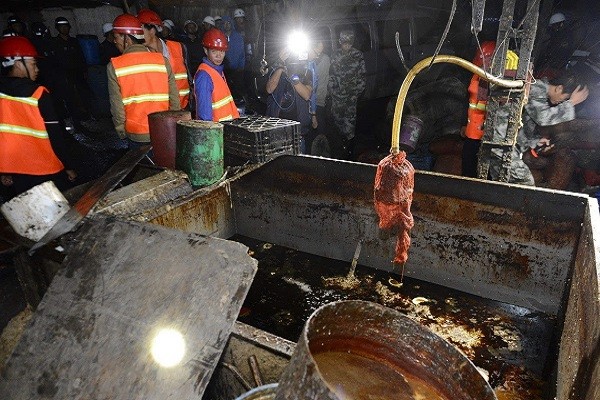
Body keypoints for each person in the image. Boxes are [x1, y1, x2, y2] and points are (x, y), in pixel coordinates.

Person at [0, 36, 77, 200]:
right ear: (18, 63)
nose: (37, 69)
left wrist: (4, 170)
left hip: (17, 172)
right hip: (46, 169)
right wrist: (68, 166)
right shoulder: (38, 93)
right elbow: (55, 136)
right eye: (33, 64)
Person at [107, 14, 179, 148]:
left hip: (136, 134)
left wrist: (121, 130)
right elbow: (174, 98)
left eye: (116, 37)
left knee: (142, 167)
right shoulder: (162, 61)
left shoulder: (115, 66)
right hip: (163, 130)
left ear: (126, 38)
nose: (114, 41)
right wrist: (172, 124)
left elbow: (117, 106)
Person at [462, 41, 518, 177]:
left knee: (482, 174)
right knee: (469, 173)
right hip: (473, 133)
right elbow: (471, 101)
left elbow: (501, 104)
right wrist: (465, 124)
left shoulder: (496, 78)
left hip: (485, 135)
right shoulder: (479, 74)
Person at [137, 9, 191, 109]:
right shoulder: (140, 56)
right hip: (159, 112)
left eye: (140, 31)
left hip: (183, 108)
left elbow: (189, 75)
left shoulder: (178, 47)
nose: (137, 35)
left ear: (152, 30)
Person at [265, 46, 313, 152]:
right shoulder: (276, 70)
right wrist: (280, 68)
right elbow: (269, 89)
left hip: (297, 132)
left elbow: (306, 95)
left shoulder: (305, 73)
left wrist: (293, 75)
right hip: (277, 130)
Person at [328, 29, 366, 159]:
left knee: (349, 128)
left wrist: (356, 93)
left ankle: (349, 154)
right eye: (344, 43)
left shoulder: (358, 55)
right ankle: (339, 151)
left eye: (349, 43)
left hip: (350, 99)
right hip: (337, 99)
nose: (347, 46)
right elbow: (331, 75)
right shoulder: (335, 55)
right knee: (337, 125)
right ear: (340, 42)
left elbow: (362, 77)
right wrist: (333, 92)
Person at [50, 16, 93, 126]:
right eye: (61, 27)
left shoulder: (74, 41)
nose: (64, 29)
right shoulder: (55, 43)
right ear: (57, 28)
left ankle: (88, 115)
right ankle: (76, 120)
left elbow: (81, 56)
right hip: (65, 75)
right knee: (70, 97)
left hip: (77, 73)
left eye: (66, 27)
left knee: (84, 94)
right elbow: (54, 61)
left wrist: (84, 70)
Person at [194, 28, 239, 122]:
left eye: (222, 51)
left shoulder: (217, 71)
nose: (219, 56)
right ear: (206, 51)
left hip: (225, 129)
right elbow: (204, 116)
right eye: (214, 51)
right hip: (215, 133)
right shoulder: (204, 76)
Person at [308, 35, 330, 155]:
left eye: (320, 53)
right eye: (317, 52)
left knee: (320, 133)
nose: (318, 56)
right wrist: (313, 114)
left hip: (319, 102)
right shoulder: (305, 65)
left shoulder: (323, 60)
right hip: (312, 105)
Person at [221, 16, 245, 101]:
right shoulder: (220, 37)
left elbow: (242, 53)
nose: (227, 25)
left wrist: (241, 66)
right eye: (224, 23)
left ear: (231, 24)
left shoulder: (238, 37)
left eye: (228, 23)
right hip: (224, 70)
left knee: (237, 91)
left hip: (237, 70)